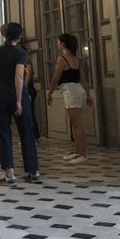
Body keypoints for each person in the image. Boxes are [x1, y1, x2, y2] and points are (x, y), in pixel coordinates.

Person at [0, 22, 41, 184]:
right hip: (16, 95)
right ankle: (34, 172)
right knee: (27, 132)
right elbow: (19, 76)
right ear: (19, 36)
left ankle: (9, 173)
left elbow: (1, 73)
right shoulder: (20, 53)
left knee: (4, 133)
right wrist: (19, 100)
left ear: (4, 35)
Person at [47, 33, 92, 165]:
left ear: (63, 44)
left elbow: (56, 77)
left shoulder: (62, 58)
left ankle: (82, 154)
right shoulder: (75, 59)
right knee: (75, 123)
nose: (57, 44)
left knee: (77, 124)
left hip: (70, 91)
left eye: (58, 42)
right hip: (77, 89)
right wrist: (88, 94)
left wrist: (50, 92)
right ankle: (77, 152)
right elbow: (82, 78)